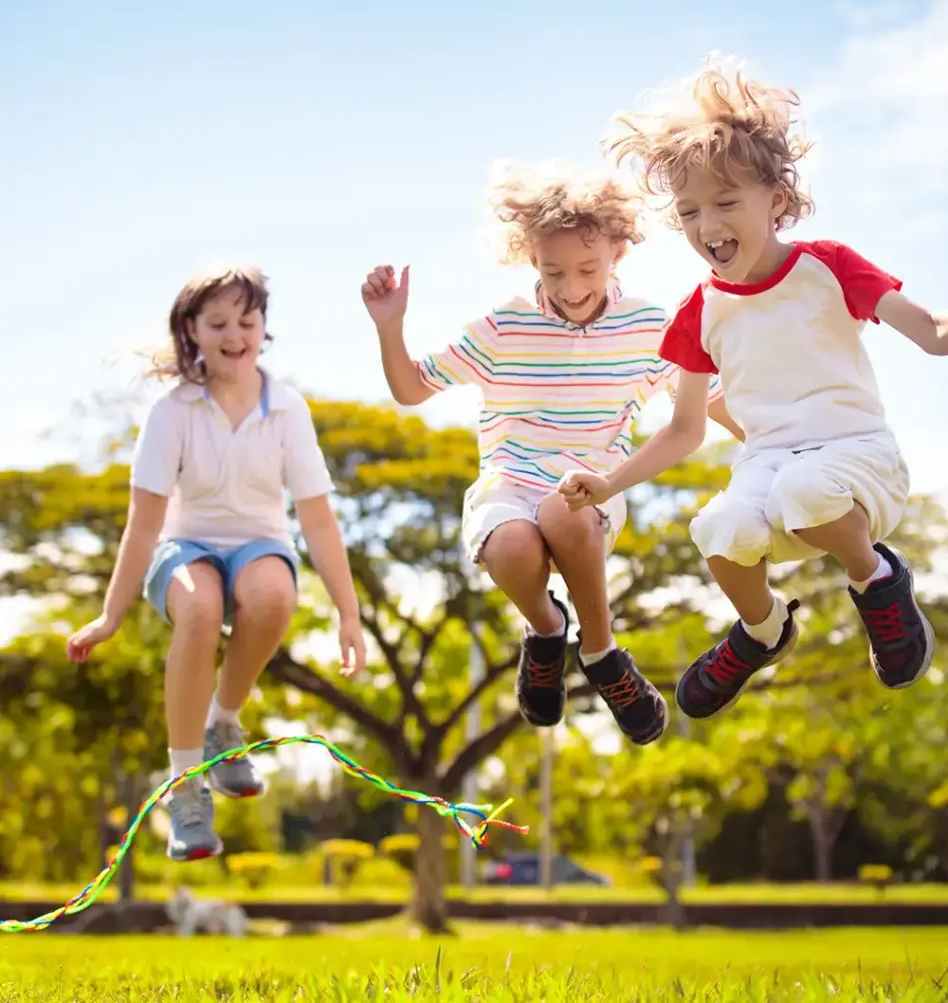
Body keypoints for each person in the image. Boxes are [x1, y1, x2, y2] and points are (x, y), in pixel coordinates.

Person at [560, 55, 944, 720]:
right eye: (689, 211)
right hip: (771, 477)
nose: (708, 226)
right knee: (718, 525)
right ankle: (763, 629)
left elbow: (931, 332)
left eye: (727, 202)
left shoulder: (827, 267)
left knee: (806, 488)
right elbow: (684, 428)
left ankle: (876, 579)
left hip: (858, 463)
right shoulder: (698, 313)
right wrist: (609, 482)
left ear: (778, 199)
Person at [361, 160, 740, 745]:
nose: (570, 287)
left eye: (587, 267)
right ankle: (545, 631)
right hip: (509, 482)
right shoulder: (502, 327)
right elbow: (412, 389)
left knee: (561, 511)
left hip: (593, 486)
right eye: (552, 270)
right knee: (511, 543)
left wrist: (781, 443)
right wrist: (391, 325)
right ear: (529, 258)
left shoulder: (649, 326)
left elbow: (708, 405)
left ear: (618, 251)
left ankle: (600, 651)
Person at [67, 266, 366, 860]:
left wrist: (349, 614)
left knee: (274, 596)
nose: (236, 335)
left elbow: (317, 519)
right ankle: (186, 791)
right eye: (219, 323)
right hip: (185, 545)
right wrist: (110, 616)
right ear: (192, 331)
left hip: (259, 542)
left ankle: (222, 722)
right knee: (200, 608)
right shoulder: (171, 410)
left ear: (264, 328)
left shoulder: (287, 410)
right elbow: (146, 521)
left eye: (248, 321)